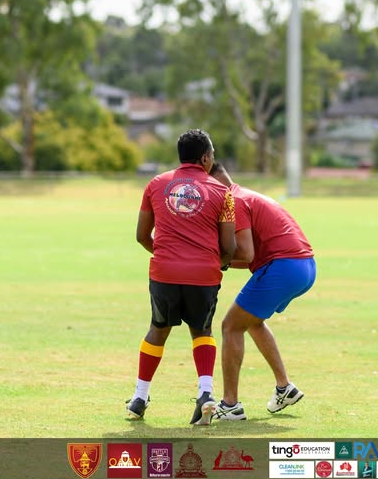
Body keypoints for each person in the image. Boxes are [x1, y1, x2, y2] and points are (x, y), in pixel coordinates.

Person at [126, 129, 236, 426]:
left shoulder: (156, 184)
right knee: (202, 331)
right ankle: (206, 394)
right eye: (212, 155)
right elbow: (231, 247)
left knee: (158, 329)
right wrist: (216, 263)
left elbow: (141, 236)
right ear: (204, 158)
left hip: (164, 272)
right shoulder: (222, 192)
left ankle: (139, 397)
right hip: (203, 274)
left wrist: (166, 255)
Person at [207, 163, 316, 421]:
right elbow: (249, 258)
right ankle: (284, 387)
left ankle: (230, 405)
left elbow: (246, 253)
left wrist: (213, 259)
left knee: (230, 326)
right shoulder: (245, 194)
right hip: (305, 266)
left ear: (213, 181)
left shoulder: (232, 201)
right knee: (252, 321)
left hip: (285, 266)